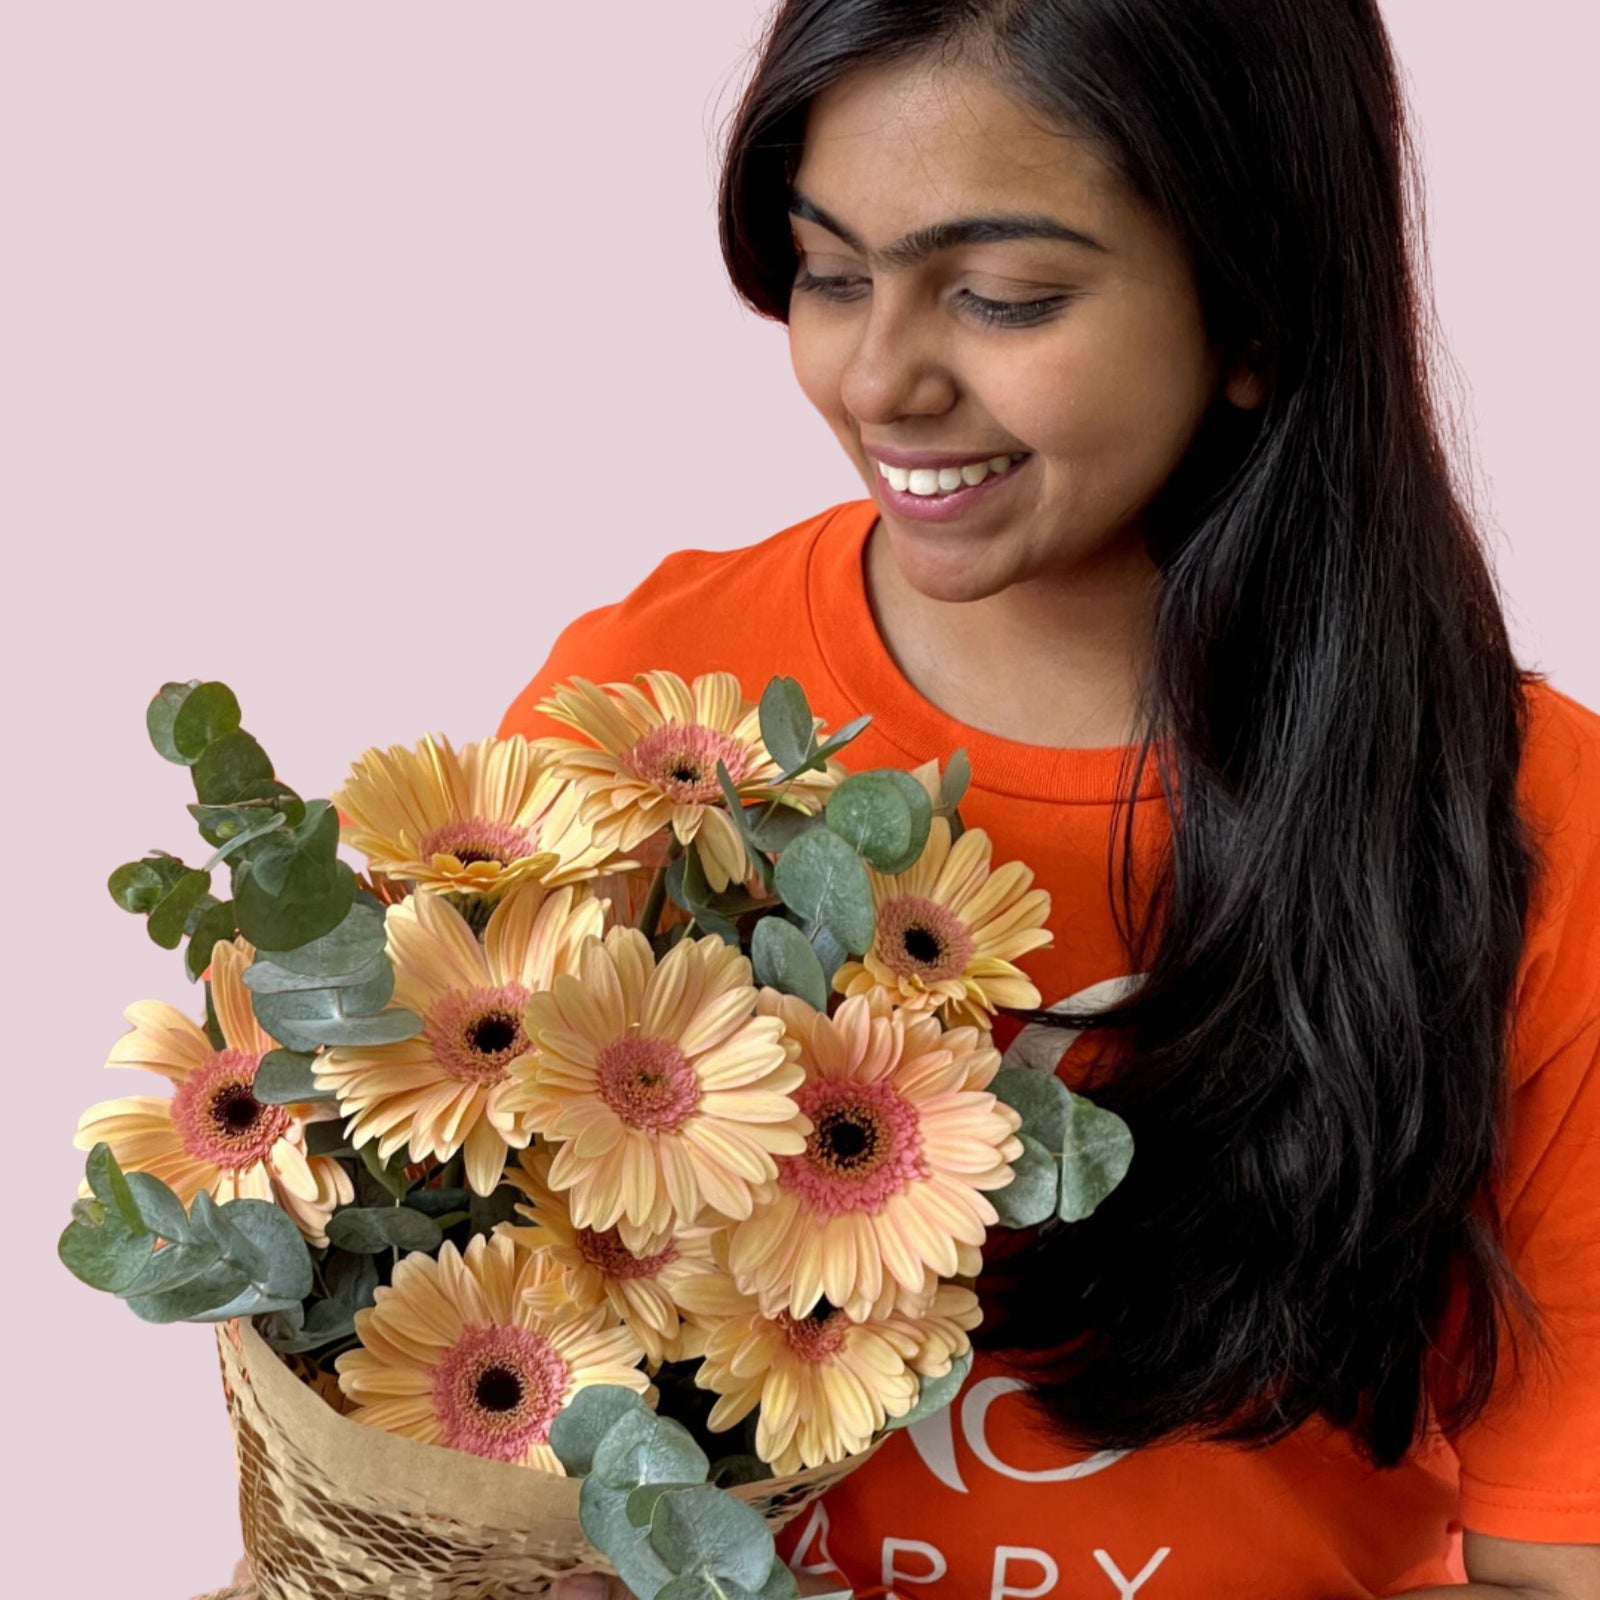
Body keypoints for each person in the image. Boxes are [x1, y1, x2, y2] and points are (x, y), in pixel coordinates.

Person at [502, 2, 1600, 1595]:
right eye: (828, 273)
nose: (878, 379)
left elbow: (1558, 1565)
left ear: (1256, 308)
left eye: (1001, 297)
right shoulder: (652, 713)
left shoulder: (1534, 825)